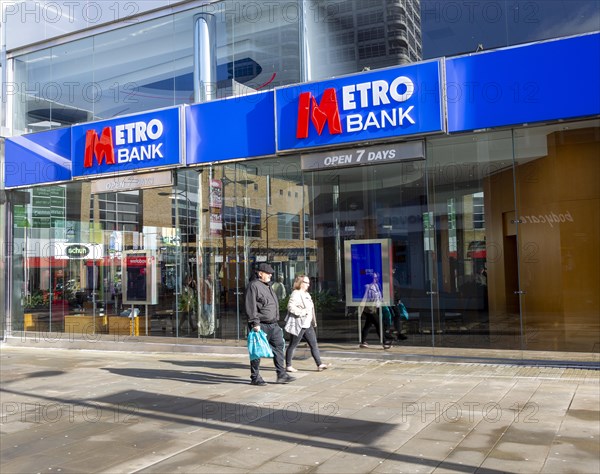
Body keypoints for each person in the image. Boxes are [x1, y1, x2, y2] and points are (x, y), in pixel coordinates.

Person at [245, 263, 295, 386]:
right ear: (260, 273)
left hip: (273, 324)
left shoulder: (268, 286)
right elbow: (250, 306)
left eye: (271, 273)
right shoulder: (253, 286)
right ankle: (255, 377)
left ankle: (281, 374)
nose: (270, 275)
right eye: (268, 273)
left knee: (279, 347)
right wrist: (254, 323)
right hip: (260, 325)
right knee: (257, 351)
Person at [284, 274, 329, 373]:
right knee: (293, 345)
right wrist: (302, 312)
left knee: (314, 345)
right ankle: (288, 365)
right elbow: (290, 307)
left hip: (307, 324)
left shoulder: (307, 294)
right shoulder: (296, 293)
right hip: (299, 324)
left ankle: (319, 364)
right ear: (300, 283)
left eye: (309, 282)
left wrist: (313, 321)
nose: (308, 284)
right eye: (306, 282)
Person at [358, 272, 391, 349]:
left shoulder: (376, 285)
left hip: (375, 308)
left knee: (368, 325)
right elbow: (364, 298)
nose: (375, 279)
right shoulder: (367, 286)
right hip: (369, 309)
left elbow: (379, 296)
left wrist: (382, 302)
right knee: (378, 324)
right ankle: (384, 341)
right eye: (374, 277)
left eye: (376, 277)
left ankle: (363, 342)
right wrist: (360, 308)